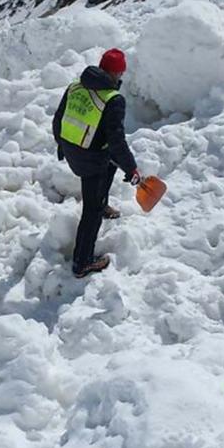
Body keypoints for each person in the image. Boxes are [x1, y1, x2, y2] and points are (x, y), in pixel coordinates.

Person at [52, 48, 141, 279]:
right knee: (90, 210)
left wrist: (61, 145)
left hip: (73, 149)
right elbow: (116, 141)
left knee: (110, 162)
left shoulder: (75, 87)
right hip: (90, 159)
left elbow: (58, 118)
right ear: (118, 73)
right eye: (121, 73)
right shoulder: (113, 99)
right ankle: (82, 262)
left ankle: (102, 205)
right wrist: (131, 169)